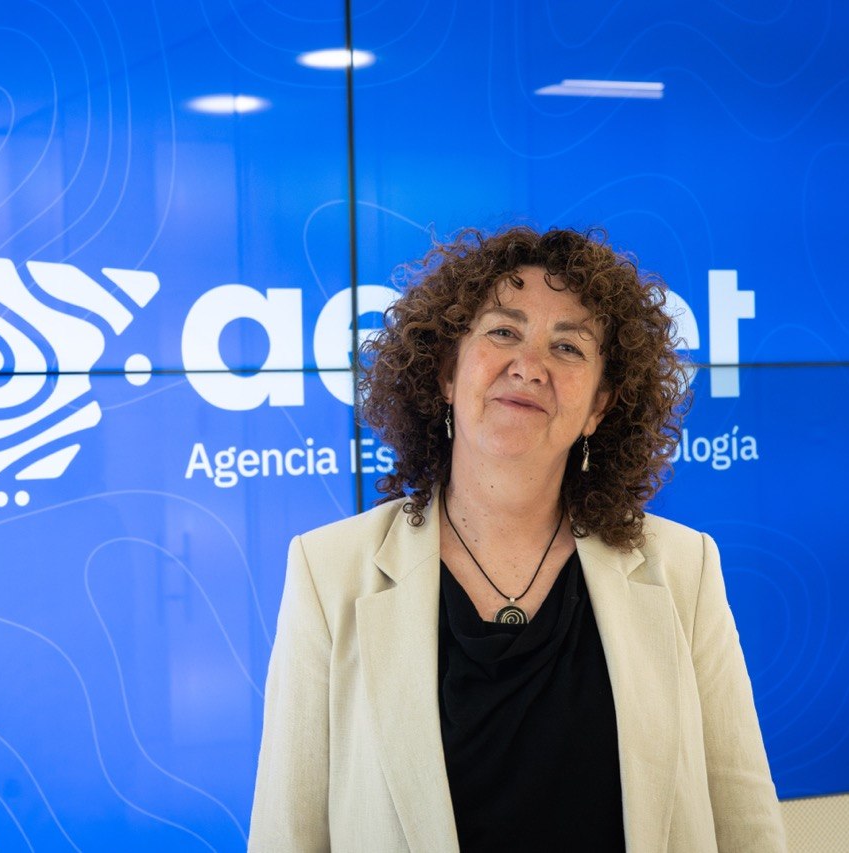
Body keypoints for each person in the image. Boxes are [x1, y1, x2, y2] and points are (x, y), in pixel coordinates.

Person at [248, 226, 786, 851]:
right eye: (503, 332)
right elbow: (288, 833)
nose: (529, 367)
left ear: (599, 408)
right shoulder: (328, 571)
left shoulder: (683, 569)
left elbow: (743, 819)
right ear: (447, 372)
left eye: (569, 347)